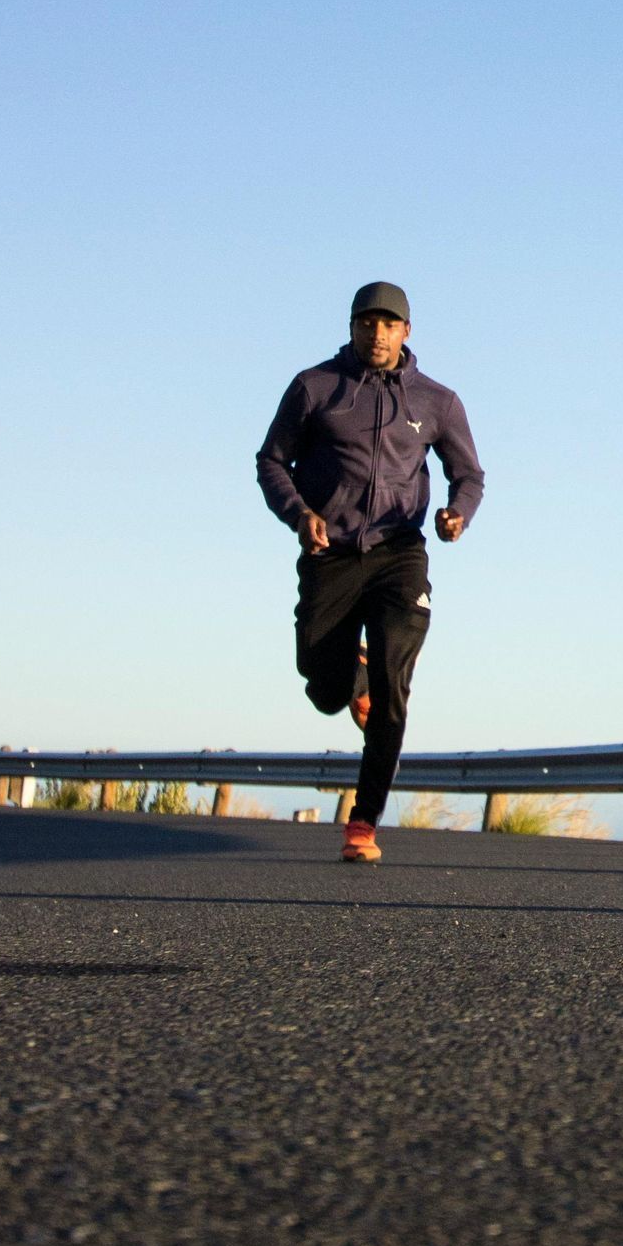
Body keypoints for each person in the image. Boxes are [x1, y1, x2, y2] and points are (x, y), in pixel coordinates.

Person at [256, 282, 485, 862]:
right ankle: (347, 678)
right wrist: (300, 514)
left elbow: (470, 475)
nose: (376, 334)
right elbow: (271, 461)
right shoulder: (315, 388)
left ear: (407, 332)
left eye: (388, 325)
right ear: (352, 326)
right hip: (329, 553)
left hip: (399, 555)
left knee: (393, 687)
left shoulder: (437, 401)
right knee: (324, 685)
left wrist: (459, 512)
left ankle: (363, 823)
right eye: (366, 323)